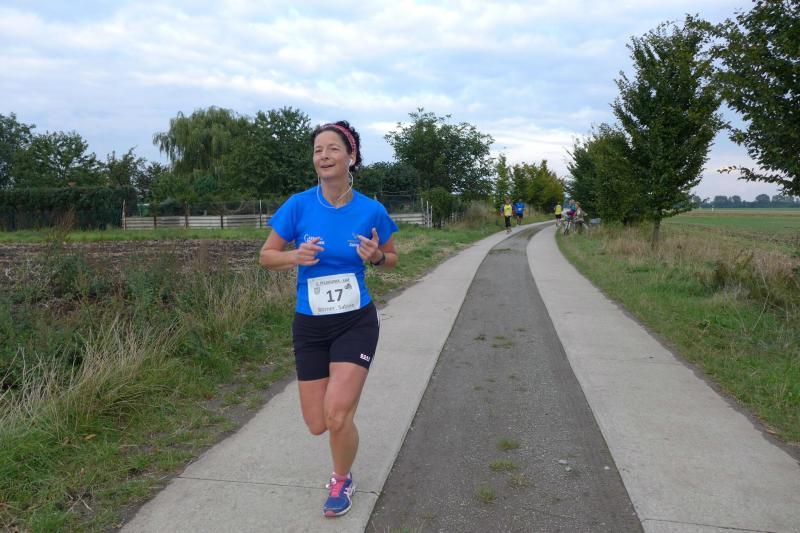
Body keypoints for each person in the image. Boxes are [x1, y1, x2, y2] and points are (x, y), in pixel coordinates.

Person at [259, 121, 398, 518]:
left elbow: (391, 258)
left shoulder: (371, 210)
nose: (324, 156)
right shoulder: (298, 205)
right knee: (317, 423)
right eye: (318, 150)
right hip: (310, 324)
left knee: (337, 414)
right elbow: (266, 256)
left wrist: (376, 257)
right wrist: (295, 256)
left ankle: (341, 479)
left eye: (333, 149)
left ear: (351, 157)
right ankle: (341, 432)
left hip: (355, 321)